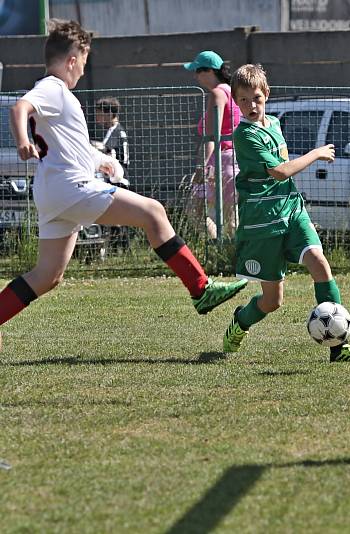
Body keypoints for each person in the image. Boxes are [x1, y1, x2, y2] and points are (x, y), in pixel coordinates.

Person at [1, 19, 247, 347]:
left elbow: (66, 145)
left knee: (47, 276)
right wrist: (21, 140)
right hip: (70, 188)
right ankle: (201, 288)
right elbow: (20, 107)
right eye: (83, 65)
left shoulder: (59, 95)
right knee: (153, 212)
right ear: (72, 60)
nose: (82, 73)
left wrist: (98, 160)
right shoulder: (54, 88)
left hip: (53, 191)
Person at [221, 64, 350, 364]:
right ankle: (240, 322)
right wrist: (316, 153)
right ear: (236, 102)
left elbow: (283, 168)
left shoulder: (275, 124)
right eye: (243, 101)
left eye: (256, 98)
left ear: (266, 94)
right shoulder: (244, 135)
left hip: (291, 210)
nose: (251, 106)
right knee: (272, 301)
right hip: (263, 222)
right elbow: (279, 171)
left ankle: (339, 348)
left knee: (319, 261)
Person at [184, 50, 240, 239]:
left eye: (198, 71)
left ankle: (220, 248)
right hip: (231, 160)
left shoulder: (217, 93)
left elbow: (211, 136)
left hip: (219, 161)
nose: (195, 76)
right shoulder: (233, 91)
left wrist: (204, 167)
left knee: (195, 212)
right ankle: (228, 253)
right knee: (231, 216)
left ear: (209, 71)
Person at [93, 96, 130, 252]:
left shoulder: (114, 131)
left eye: (99, 113)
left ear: (109, 114)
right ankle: (121, 250)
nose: (97, 117)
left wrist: (88, 146)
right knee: (117, 215)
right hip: (120, 177)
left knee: (115, 215)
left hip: (119, 178)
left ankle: (120, 249)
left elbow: (104, 148)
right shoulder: (117, 130)